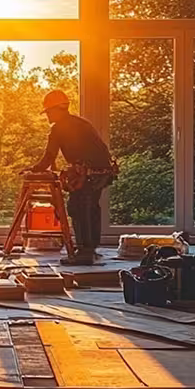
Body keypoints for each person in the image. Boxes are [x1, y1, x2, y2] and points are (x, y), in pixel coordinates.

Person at [26, 90, 116, 262]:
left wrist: (34, 169)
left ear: (58, 109)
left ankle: (84, 253)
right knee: (91, 207)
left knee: (79, 207)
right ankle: (91, 248)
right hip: (103, 172)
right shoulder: (81, 123)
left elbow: (49, 157)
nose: (48, 116)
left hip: (88, 173)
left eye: (49, 112)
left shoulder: (58, 128)